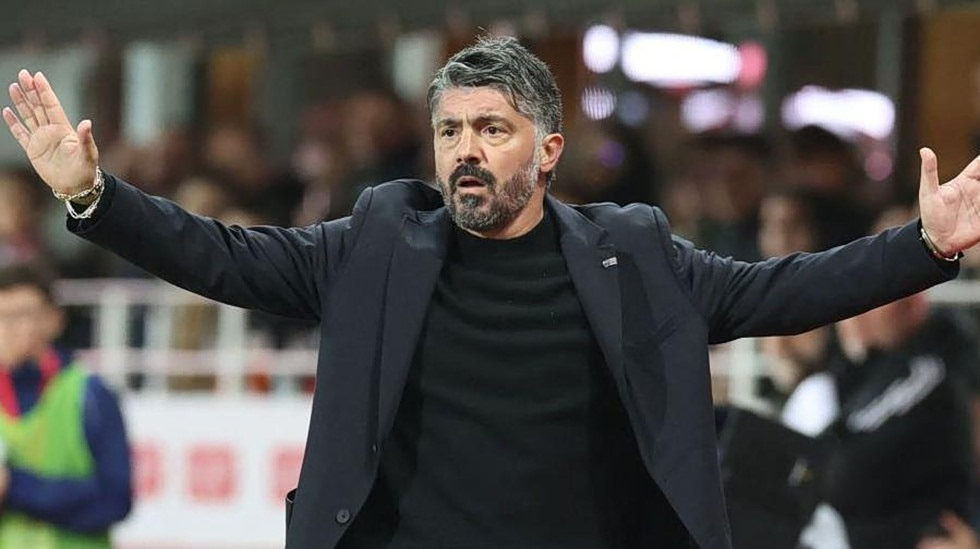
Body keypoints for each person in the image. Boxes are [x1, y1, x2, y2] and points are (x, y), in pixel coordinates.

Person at [4, 35, 980, 549]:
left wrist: (924, 246)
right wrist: (95, 195)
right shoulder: (376, 243)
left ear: (547, 151)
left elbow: (785, 291)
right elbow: (222, 256)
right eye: (450, 131)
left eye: (491, 129)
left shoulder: (633, 252)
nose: (465, 150)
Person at [0, 262, 132, 548]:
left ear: (54, 319)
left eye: (21, 315)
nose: (8, 329)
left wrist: (13, 487)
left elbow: (115, 500)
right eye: (1, 316)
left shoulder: (90, 395)